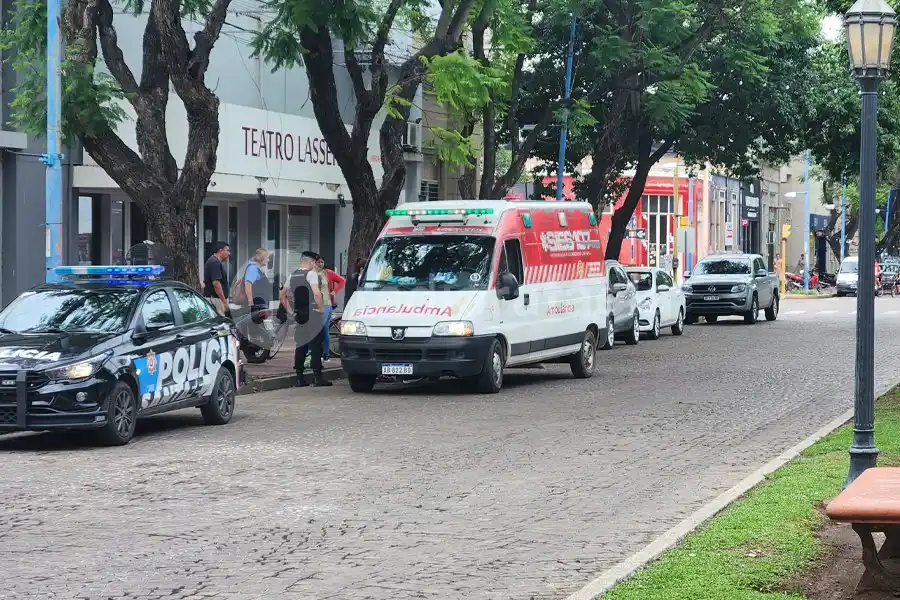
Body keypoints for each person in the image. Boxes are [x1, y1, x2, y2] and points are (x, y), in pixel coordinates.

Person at [280, 251, 332, 387]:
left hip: (299, 314)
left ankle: (299, 377)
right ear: (310, 262)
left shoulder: (292, 275)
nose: (315, 264)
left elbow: (282, 295)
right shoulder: (311, 274)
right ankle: (317, 377)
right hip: (313, 313)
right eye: (315, 262)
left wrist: (291, 312)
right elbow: (316, 293)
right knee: (316, 345)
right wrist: (321, 308)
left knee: (301, 345)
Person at [315, 256, 345, 362]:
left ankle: (324, 353)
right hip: (314, 304)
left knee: (323, 328)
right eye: (318, 262)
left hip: (327, 303)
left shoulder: (329, 273)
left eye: (322, 262)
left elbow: (342, 281)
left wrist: (335, 291)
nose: (320, 264)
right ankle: (320, 353)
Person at [204, 241, 232, 318]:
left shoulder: (216, 262)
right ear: (220, 251)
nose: (229, 253)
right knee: (222, 322)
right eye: (227, 250)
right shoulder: (214, 262)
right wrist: (224, 301)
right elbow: (216, 283)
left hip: (217, 299)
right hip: (216, 300)